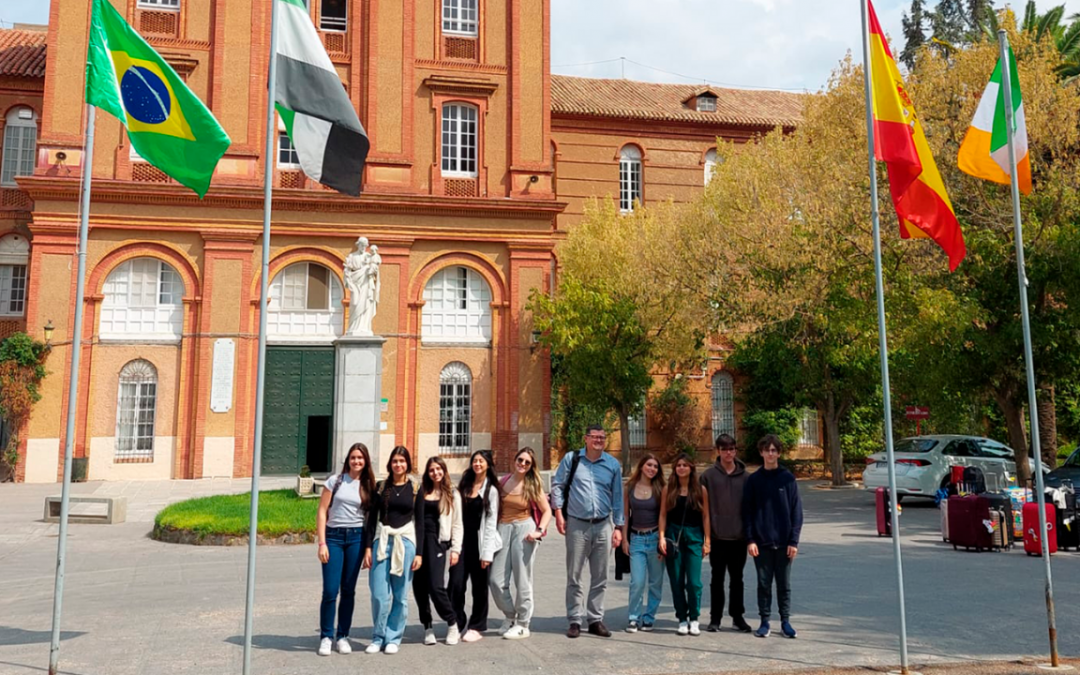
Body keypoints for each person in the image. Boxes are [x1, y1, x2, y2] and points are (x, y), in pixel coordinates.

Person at [550, 425, 625, 638]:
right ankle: (574, 619)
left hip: (603, 525)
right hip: (577, 524)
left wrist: (618, 527)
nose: (599, 440)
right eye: (595, 437)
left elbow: (618, 497)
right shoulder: (572, 459)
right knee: (574, 574)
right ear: (586, 439)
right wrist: (558, 513)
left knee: (600, 575)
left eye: (602, 437)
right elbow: (558, 485)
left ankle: (595, 619)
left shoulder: (612, 464)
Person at [315, 443, 377, 656]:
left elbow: (370, 521)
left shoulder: (369, 485)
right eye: (353, 457)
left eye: (360, 458)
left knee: (348, 590)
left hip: (356, 539)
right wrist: (322, 543)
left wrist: (368, 549)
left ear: (365, 460)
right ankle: (325, 636)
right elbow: (322, 511)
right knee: (331, 591)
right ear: (348, 460)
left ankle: (342, 636)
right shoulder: (335, 481)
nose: (356, 461)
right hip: (333, 537)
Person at [743, 434, 804, 639]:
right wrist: (750, 539)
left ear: (779, 453)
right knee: (763, 584)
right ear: (761, 452)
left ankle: (785, 621)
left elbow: (797, 512)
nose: (770, 453)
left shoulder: (787, 479)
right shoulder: (754, 480)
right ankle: (764, 621)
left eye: (774, 450)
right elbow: (748, 512)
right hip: (762, 543)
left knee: (784, 585)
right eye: (767, 450)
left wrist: (793, 541)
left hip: (785, 543)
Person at [489, 447, 552, 640]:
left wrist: (538, 531)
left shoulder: (532, 485)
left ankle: (523, 623)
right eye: (520, 460)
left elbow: (547, 511)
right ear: (514, 460)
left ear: (531, 466)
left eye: (527, 462)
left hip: (525, 530)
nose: (522, 464)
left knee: (522, 578)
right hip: (503, 529)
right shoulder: (504, 481)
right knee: (496, 580)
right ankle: (510, 616)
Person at [366, 446, 424, 654]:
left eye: (402, 461)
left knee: (400, 595)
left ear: (407, 463)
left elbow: (420, 523)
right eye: (395, 461)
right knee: (379, 594)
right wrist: (367, 548)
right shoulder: (381, 488)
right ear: (390, 463)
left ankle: (393, 637)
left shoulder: (416, 488)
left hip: (405, 543)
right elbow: (371, 519)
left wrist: (419, 553)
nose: (398, 464)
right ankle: (378, 636)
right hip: (381, 541)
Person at [699, 433, 752, 633]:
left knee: (737, 579)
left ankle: (738, 617)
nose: (728, 453)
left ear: (735, 451)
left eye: (731, 449)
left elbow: (751, 508)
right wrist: (707, 537)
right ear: (718, 451)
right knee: (717, 579)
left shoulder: (747, 478)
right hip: (718, 537)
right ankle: (715, 618)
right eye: (724, 449)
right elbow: (701, 508)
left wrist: (750, 536)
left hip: (739, 537)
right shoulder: (708, 476)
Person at [450, 450, 502, 642]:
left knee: (479, 587)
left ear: (488, 464)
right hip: (463, 542)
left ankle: (477, 625)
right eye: (475, 461)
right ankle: (457, 620)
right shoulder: (464, 485)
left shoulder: (492, 491)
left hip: (481, 543)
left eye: (481, 461)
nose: (477, 464)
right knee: (455, 583)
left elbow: (491, 523)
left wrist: (487, 553)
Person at [413, 456, 463, 646]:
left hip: (437, 542)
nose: (435, 473)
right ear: (428, 472)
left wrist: (456, 549)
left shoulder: (452, 493)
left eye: (438, 469)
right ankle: (428, 627)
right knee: (419, 587)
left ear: (444, 471)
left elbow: (457, 524)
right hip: (419, 541)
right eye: (432, 470)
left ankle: (452, 623)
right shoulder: (422, 491)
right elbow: (417, 520)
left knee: (435, 586)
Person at [659, 453, 710, 636]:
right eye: (678, 465)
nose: (681, 468)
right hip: (673, 537)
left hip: (694, 537)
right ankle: (682, 618)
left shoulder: (700, 490)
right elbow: (663, 515)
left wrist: (707, 541)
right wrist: (661, 538)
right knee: (677, 581)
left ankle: (694, 618)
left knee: (694, 583)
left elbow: (705, 516)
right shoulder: (668, 489)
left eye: (685, 465)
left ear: (691, 468)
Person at [621, 453, 666, 633]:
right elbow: (625, 515)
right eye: (649, 465)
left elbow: (663, 516)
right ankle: (633, 617)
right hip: (637, 539)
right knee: (637, 581)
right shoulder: (630, 487)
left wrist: (662, 540)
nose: (652, 469)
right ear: (641, 466)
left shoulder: (661, 488)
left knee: (655, 582)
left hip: (655, 538)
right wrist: (625, 538)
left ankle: (649, 617)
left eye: (655, 466)